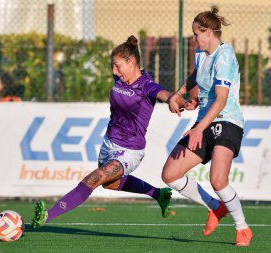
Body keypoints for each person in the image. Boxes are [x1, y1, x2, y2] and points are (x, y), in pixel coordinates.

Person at [31, 35, 190, 228]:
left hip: (130, 150)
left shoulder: (146, 85)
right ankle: (159, 194)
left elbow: (164, 94)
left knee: (93, 178)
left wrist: (176, 99)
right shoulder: (120, 78)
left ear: (131, 62)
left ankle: (46, 216)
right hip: (109, 143)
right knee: (110, 183)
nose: (114, 71)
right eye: (112, 66)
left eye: (117, 66)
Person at [164, 7, 252, 246]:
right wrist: (179, 95)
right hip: (204, 121)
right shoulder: (200, 53)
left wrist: (198, 128)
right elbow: (195, 77)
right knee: (170, 175)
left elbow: (221, 99)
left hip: (227, 121)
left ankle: (242, 227)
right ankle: (216, 207)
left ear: (209, 32)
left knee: (218, 180)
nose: (193, 38)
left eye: (196, 34)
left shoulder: (225, 56)